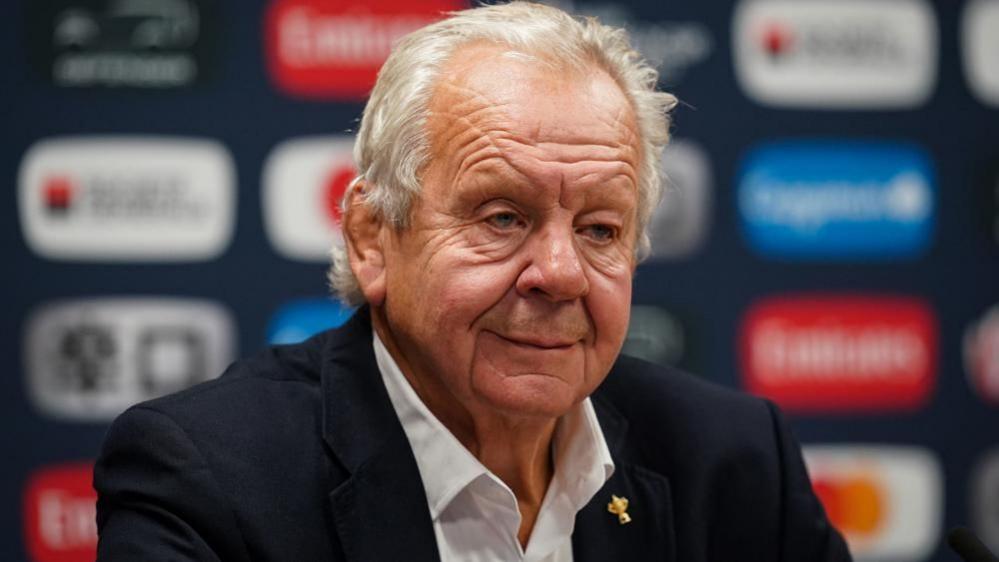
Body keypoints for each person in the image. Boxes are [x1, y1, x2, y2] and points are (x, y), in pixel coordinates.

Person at [94, 3, 851, 561]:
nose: (558, 275)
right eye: (501, 217)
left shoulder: (732, 462)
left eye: (599, 231)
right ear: (372, 238)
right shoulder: (206, 479)